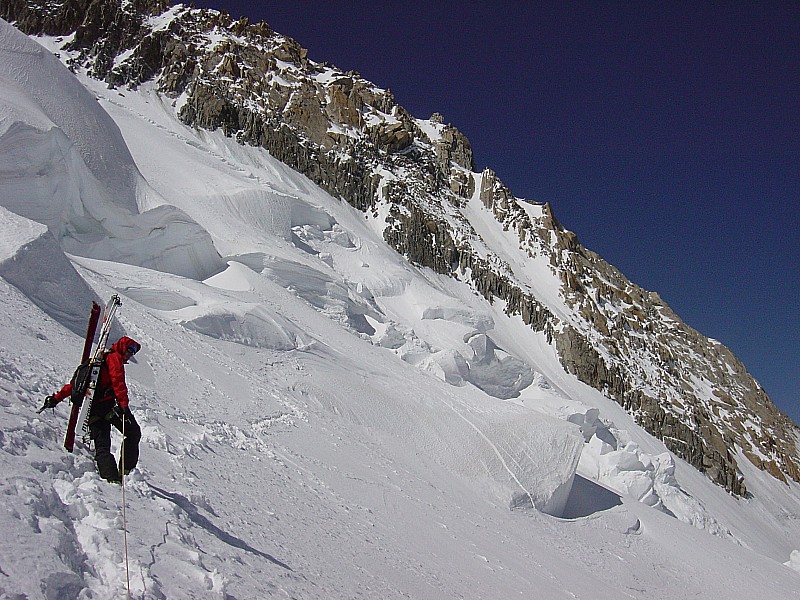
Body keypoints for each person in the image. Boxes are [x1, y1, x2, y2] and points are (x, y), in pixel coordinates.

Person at [44, 336, 143, 483]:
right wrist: (123, 406)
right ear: (122, 347)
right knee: (133, 432)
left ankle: (111, 479)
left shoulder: (98, 362)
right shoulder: (114, 358)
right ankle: (126, 471)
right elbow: (118, 382)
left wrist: (56, 398)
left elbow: (75, 386)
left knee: (102, 445)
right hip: (110, 408)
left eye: (133, 352)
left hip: (92, 410)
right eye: (129, 350)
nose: (130, 354)